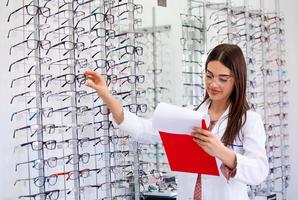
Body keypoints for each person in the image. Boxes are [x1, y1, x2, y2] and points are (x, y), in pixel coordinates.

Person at [84, 44, 269, 200]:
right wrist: (107, 96)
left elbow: (259, 171)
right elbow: (143, 130)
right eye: (209, 75)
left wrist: (221, 152)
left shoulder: (249, 120)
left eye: (223, 79)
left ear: (237, 80)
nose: (213, 84)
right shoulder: (189, 115)